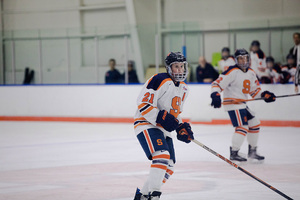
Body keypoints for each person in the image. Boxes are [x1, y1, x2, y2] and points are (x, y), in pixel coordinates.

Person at [133, 52, 194, 200]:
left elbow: (175, 113)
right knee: (161, 155)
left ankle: (142, 196)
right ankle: (154, 195)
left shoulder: (184, 88)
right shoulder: (159, 79)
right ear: (168, 67)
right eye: (176, 67)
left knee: (169, 166)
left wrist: (180, 127)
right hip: (146, 123)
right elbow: (143, 103)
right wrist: (161, 117)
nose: (179, 70)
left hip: (163, 129)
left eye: (181, 66)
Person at [210, 48, 276, 162]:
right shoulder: (231, 71)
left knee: (255, 123)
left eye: (245, 58)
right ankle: (234, 152)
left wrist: (265, 95)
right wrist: (215, 95)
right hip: (233, 104)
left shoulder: (251, 73)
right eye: (240, 59)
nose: (243, 61)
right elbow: (216, 84)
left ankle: (253, 151)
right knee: (242, 127)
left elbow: (255, 92)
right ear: (236, 60)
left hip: (242, 104)